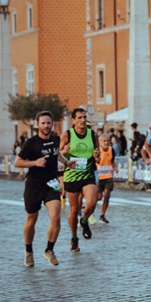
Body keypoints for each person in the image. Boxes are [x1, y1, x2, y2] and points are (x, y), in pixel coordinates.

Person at [14, 111, 76, 267]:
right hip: (34, 185)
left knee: (56, 217)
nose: (46, 125)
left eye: (49, 123)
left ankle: (49, 250)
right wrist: (34, 163)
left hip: (51, 184)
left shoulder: (55, 139)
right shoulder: (30, 143)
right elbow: (17, 162)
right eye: (43, 123)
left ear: (52, 124)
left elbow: (57, 154)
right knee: (31, 219)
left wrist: (66, 162)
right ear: (37, 125)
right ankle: (28, 251)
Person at [60, 108, 100, 252]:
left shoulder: (92, 134)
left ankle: (84, 220)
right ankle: (74, 238)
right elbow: (58, 155)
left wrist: (97, 155)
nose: (83, 120)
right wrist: (64, 151)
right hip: (71, 175)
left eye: (84, 117)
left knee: (92, 201)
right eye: (79, 118)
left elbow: (98, 154)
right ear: (73, 120)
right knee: (73, 209)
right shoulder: (67, 135)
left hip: (88, 173)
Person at [95, 134, 118, 224]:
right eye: (104, 141)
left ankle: (102, 215)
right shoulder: (97, 150)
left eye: (108, 141)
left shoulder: (112, 150)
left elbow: (112, 161)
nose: (106, 143)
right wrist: (96, 159)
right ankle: (88, 207)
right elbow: (95, 161)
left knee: (107, 196)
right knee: (99, 197)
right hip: (98, 177)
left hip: (108, 176)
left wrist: (115, 167)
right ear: (100, 142)